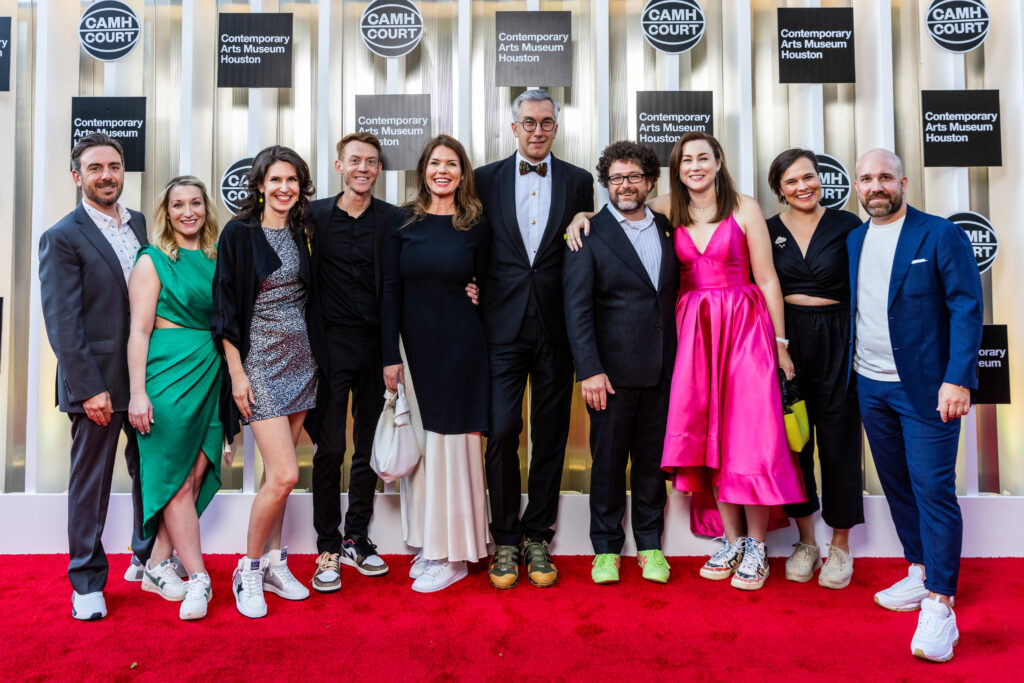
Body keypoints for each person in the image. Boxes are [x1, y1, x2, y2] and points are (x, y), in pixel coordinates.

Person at [848, 149, 982, 662]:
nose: (875, 186)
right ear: (857, 188)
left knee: (932, 490)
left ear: (903, 181)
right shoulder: (856, 238)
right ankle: (919, 569)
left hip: (928, 388)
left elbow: (967, 305)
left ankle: (941, 604)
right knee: (898, 485)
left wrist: (958, 379)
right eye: (866, 178)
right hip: (871, 385)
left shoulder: (939, 233)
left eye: (885, 177)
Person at [657, 132, 805, 591]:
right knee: (710, 435)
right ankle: (732, 539)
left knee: (751, 433)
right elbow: (616, 211)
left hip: (744, 328)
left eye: (704, 157)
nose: (695, 166)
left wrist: (779, 343)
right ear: (677, 168)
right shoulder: (667, 208)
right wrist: (582, 215)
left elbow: (766, 278)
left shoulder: (745, 207)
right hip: (695, 335)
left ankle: (757, 546)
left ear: (719, 161)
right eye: (686, 160)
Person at [38, 132, 165, 620]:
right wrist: (90, 388)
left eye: (113, 166)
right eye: (95, 168)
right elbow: (62, 324)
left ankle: (144, 556)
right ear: (78, 177)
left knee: (148, 473)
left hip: (148, 377)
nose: (107, 175)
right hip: (98, 385)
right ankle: (86, 583)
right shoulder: (62, 236)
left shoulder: (138, 224)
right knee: (90, 484)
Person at [474, 89, 594, 589]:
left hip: (558, 326)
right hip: (499, 327)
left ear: (557, 127)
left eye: (546, 122)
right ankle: (504, 537)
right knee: (502, 431)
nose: (538, 130)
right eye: (529, 122)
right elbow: (469, 239)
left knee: (550, 435)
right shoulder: (482, 179)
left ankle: (537, 534)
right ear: (513, 126)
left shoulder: (580, 182)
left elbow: (582, 252)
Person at [212, 145, 324, 618]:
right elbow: (224, 309)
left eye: (292, 180)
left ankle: (277, 563)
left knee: (275, 479)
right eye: (275, 180)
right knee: (284, 475)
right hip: (259, 363)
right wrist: (237, 374)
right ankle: (249, 570)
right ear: (259, 185)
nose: (284, 188)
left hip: (302, 363)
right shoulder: (239, 234)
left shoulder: (304, 230)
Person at [562, 141, 678, 585]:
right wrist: (589, 369)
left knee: (652, 464)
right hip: (608, 374)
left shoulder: (666, 226)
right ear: (605, 183)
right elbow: (577, 309)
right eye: (616, 178)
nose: (625, 186)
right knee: (608, 464)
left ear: (649, 182)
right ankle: (606, 549)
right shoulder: (588, 232)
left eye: (634, 177)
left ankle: (650, 546)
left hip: (663, 370)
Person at [381, 134, 491, 593]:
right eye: (434, 163)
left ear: (462, 174)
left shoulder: (477, 224)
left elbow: (493, 280)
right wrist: (389, 355)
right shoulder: (402, 222)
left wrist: (481, 294)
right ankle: (430, 542)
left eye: (451, 164)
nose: (442, 171)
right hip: (413, 349)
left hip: (463, 348)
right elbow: (389, 290)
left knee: (454, 449)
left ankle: (456, 555)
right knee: (424, 452)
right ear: (423, 170)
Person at [765, 149, 864, 589]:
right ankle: (806, 540)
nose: (802, 187)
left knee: (839, 438)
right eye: (791, 182)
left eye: (808, 177)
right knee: (794, 439)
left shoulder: (848, 225)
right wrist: (778, 346)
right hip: (787, 341)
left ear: (820, 178)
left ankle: (840, 545)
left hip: (839, 337)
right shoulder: (767, 231)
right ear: (779, 190)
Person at [126, 176, 223, 620]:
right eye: (179, 204)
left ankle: (157, 563)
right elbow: (139, 331)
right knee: (177, 480)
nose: (189, 211)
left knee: (196, 475)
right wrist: (137, 393)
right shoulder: (152, 260)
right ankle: (199, 578)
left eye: (196, 203)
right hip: (167, 377)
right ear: (166, 211)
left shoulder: (215, 256)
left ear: (206, 208)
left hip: (211, 371)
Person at [304, 133, 398, 590]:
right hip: (327, 349)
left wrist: (469, 287)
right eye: (355, 160)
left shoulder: (394, 221)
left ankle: (357, 537)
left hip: (377, 351)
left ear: (379, 170)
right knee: (330, 450)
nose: (363, 167)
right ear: (339, 166)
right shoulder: (313, 217)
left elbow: (411, 279)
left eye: (372, 162)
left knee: (367, 448)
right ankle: (326, 546)